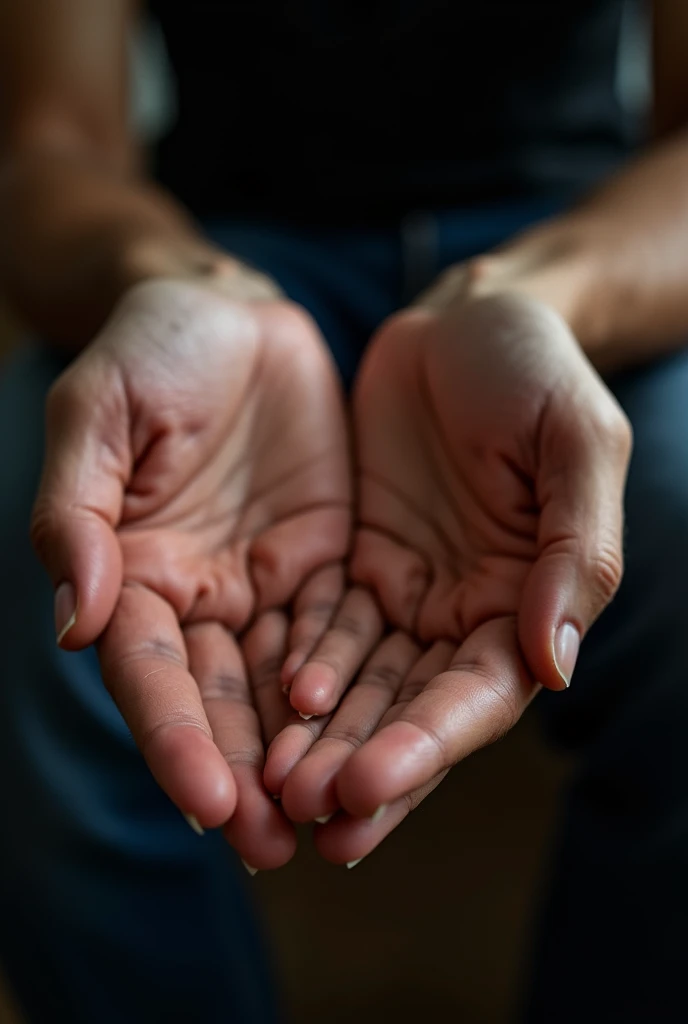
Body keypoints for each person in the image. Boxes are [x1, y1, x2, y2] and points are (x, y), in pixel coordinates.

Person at [0, 0, 687, 1020]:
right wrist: (177, 279)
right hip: (220, 258)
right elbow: (50, 144)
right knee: (32, 546)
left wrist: (537, 298)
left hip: (575, 249)